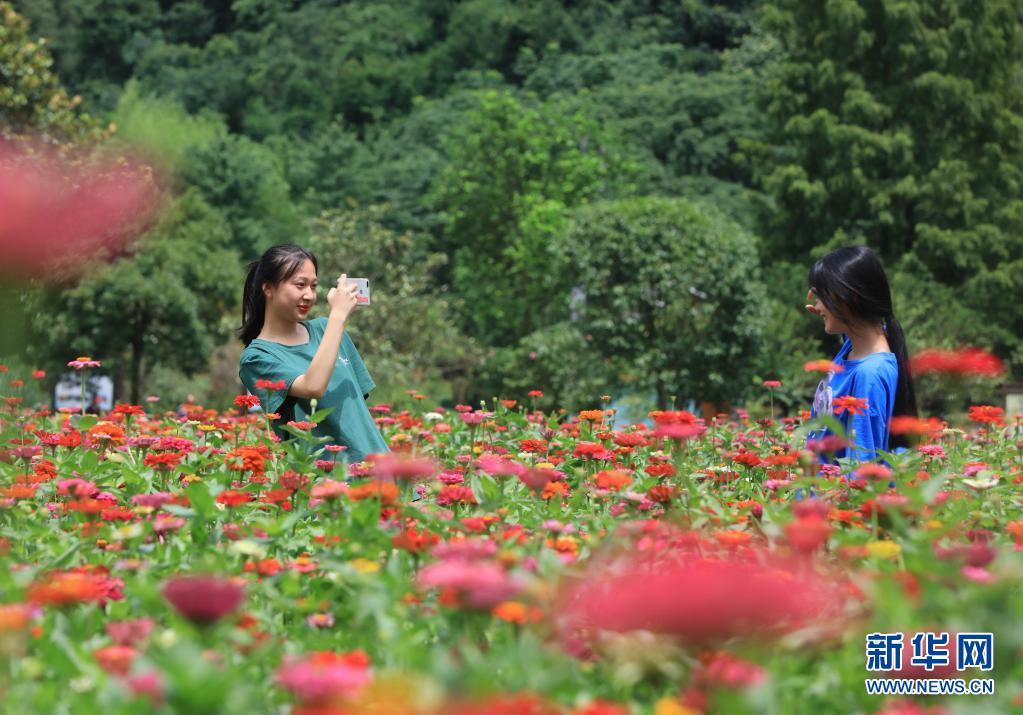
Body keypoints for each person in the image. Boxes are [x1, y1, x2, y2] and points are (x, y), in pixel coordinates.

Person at [237, 244, 388, 463]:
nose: (309, 295)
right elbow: (313, 386)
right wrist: (337, 317)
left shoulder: (328, 330)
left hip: (381, 468)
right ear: (268, 288)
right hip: (327, 482)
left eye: (313, 286)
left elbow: (357, 413)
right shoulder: (257, 358)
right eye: (300, 285)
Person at [804, 246, 916, 462]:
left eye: (822, 297)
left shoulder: (869, 374)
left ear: (846, 299)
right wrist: (828, 305)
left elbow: (861, 470)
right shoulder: (854, 348)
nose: (817, 305)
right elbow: (857, 322)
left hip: (834, 493)